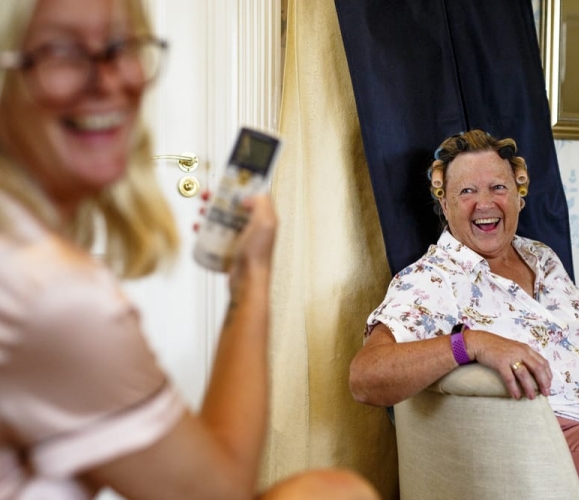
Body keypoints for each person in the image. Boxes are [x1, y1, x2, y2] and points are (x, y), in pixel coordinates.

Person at [0, 1, 381, 499]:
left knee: (330, 488)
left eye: (120, 48)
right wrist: (254, 278)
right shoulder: (52, 291)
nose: (105, 80)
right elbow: (218, 493)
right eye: (61, 52)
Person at [349, 129, 579, 499]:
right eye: (466, 191)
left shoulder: (541, 258)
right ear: (445, 205)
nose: (484, 203)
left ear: (519, 197)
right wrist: (469, 343)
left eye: (498, 188)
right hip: (546, 447)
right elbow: (366, 377)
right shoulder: (433, 278)